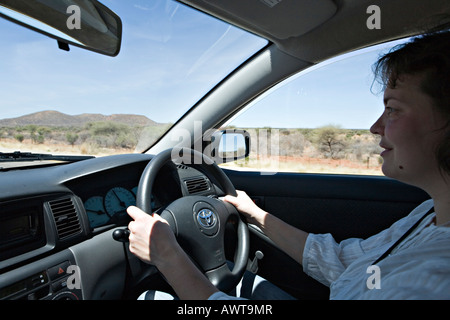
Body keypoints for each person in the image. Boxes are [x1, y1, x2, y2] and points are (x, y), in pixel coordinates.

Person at [127, 27, 450, 300]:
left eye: (392, 109)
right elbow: (342, 262)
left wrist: (168, 256)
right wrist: (256, 215)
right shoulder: (428, 216)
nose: (375, 126)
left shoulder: (434, 280)